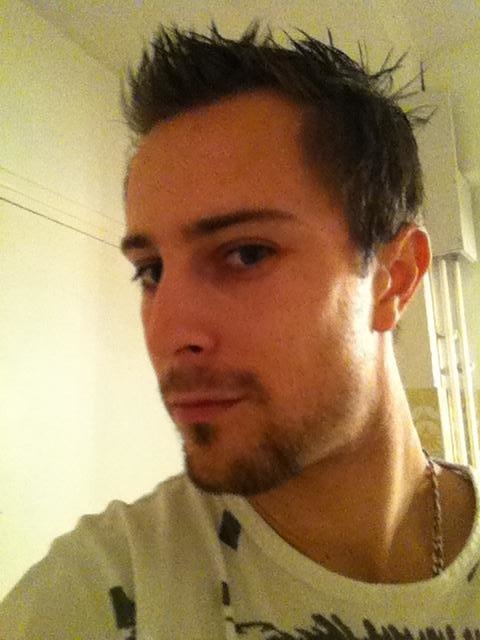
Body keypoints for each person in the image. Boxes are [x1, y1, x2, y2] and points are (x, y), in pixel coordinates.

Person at [1, 21, 479, 639]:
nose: (168, 331)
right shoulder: (107, 588)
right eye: (151, 271)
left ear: (394, 279)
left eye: (246, 254)